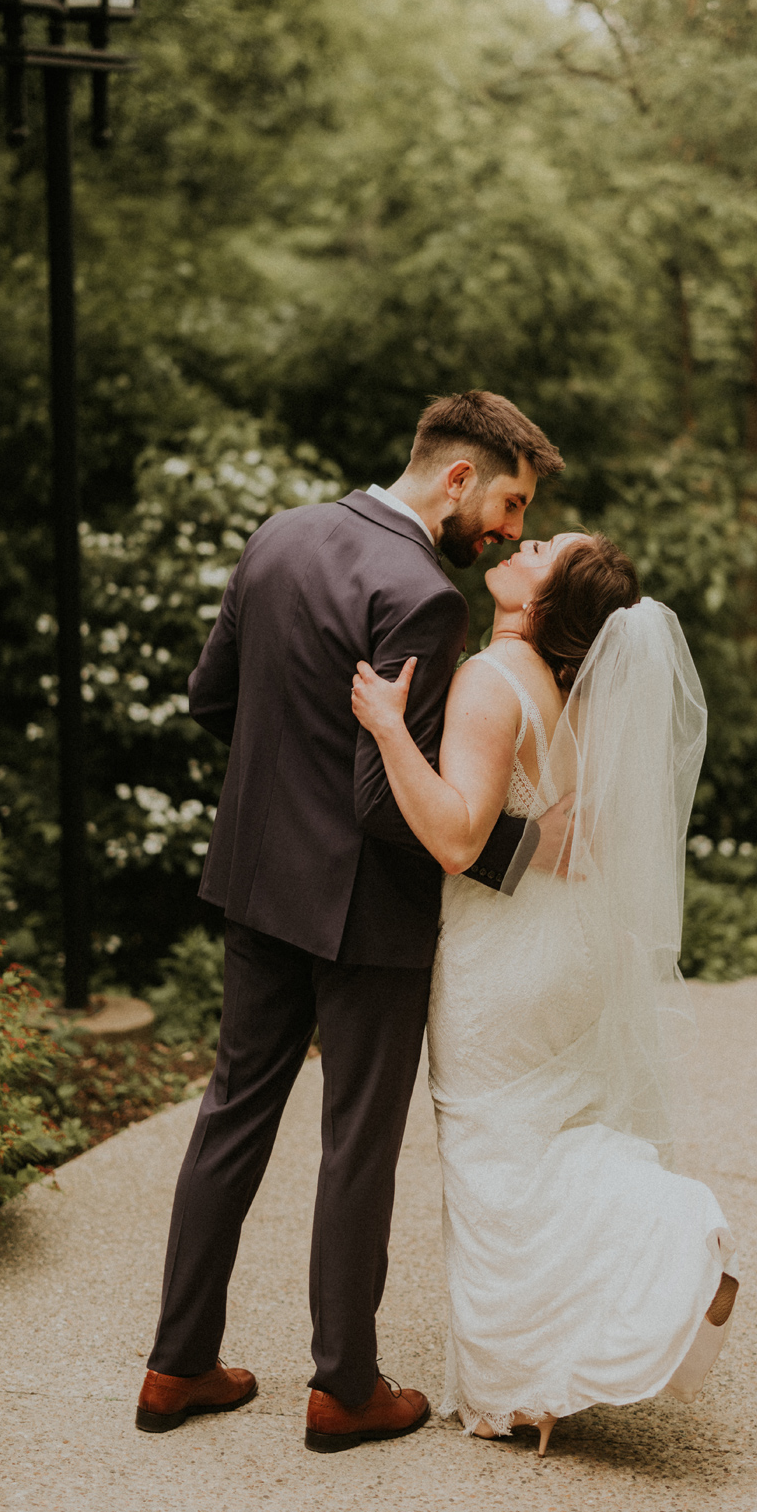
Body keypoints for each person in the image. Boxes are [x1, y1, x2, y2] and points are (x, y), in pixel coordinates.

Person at [137, 390, 557, 1452]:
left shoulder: (280, 535)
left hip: (254, 880)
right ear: (457, 476)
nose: (507, 528)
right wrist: (523, 850)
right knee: (355, 1145)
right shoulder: (423, 595)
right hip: (365, 912)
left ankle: (177, 1364)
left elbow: (210, 698)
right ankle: (345, 1388)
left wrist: (280, 798)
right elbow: (384, 798)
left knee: (231, 1112)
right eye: (508, 501)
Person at [348, 528, 736, 1454]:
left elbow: (454, 835)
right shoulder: (568, 693)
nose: (524, 540)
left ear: (544, 598)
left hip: (502, 960)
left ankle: (662, 1247)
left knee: (493, 1153)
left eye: (544, 548)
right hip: (564, 949)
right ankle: (544, 1363)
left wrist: (388, 728)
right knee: (540, 1139)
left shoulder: (492, 677)